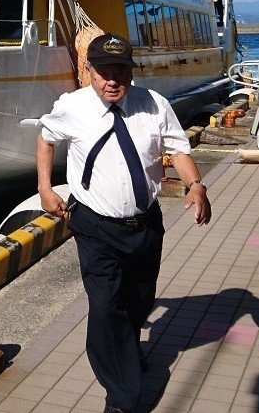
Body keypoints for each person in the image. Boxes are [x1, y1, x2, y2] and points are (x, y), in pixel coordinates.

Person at [35, 33, 211, 413]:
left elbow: (178, 149)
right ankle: (122, 397)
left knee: (138, 300)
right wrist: (45, 189)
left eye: (121, 71)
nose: (112, 80)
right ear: (89, 71)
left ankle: (128, 354)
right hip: (95, 227)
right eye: (103, 71)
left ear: (132, 72)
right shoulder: (72, 107)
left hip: (145, 224)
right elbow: (47, 139)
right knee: (106, 307)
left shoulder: (154, 105)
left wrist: (195, 184)